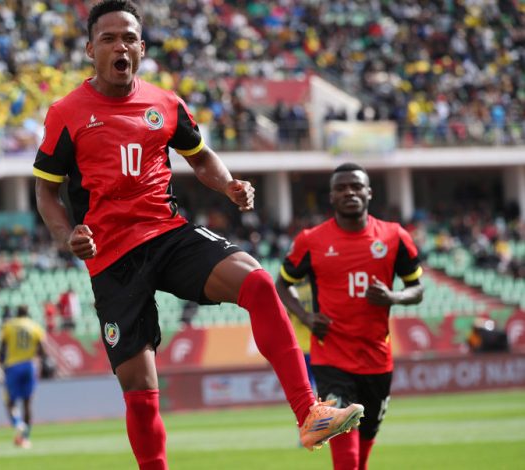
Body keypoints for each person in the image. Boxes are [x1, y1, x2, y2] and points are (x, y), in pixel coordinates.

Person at [32, 2, 364, 467]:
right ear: (90, 50)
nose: (119, 46)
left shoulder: (166, 104)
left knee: (257, 281)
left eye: (128, 38)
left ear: (142, 48)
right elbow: (46, 192)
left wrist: (228, 184)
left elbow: (201, 157)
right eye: (108, 38)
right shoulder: (66, 113)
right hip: (112, 258)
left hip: (167, 234)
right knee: (141, 389)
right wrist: (67, 235)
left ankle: (309, 413)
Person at [275, 162, 425, 470]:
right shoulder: (311, 240)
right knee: (344, 446)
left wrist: (393, 297)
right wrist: (305, 317)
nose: (349, 192)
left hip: (377, 359)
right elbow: (281, 284)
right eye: (341, 188)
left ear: (369, 192)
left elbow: (417, 288)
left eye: (356, 186)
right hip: (331, 357)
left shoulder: (394, 237)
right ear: (331, 196)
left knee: (364, 448)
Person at [0, 305, 47, 449]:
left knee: (10, 401)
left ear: (16, 313)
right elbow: (42, 349)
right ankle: (25, 437)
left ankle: (17, 423)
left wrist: (1, 361)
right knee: (27, 402)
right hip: (29, 365)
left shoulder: (9, 326)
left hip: (13, 366)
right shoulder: (35, 326)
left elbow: (2, 348)